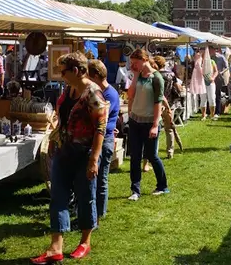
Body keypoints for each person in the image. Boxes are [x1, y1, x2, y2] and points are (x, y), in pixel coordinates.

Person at [32, 52, 107, 264]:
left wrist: (94, 158)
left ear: (75, 71)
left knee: (86, 196)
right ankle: (56, 247)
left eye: (63, 71)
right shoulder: (69, 89)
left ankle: (85, 241)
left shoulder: (93, 93)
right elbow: (62, 117)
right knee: (58, 195)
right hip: (64, 150)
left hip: (84, 153)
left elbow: (100, 127)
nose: (61, 75)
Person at [126, 49, 169, 201]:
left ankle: (163, 186)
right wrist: (136, 75)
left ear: (144, 60)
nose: (132, 65)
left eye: (135, 63)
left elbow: (158, 103)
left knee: (151, 155)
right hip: (135, 120)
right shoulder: (137, 76)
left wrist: (155, 125)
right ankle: (135, 190)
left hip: (149, 121)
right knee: (135, 157)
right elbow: (130, 95)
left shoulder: (156, 78)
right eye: (131, 63)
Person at [87, 59, 120, 221]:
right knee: (93, 178)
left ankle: (99, 213)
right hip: (98, 137)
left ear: (95, 76)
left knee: (101, 179)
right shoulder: (99, 92)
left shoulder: (109, 94)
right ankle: (91, 211)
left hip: (104, 138)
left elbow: (103, 121)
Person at [153, 56, 183, 159]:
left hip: (156, 104)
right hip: (170, 104)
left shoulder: (153, 76)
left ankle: (153, 153)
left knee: (155, 128)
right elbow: (178, 88)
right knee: (169, 129)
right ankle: (170, 151)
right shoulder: (171, 74)